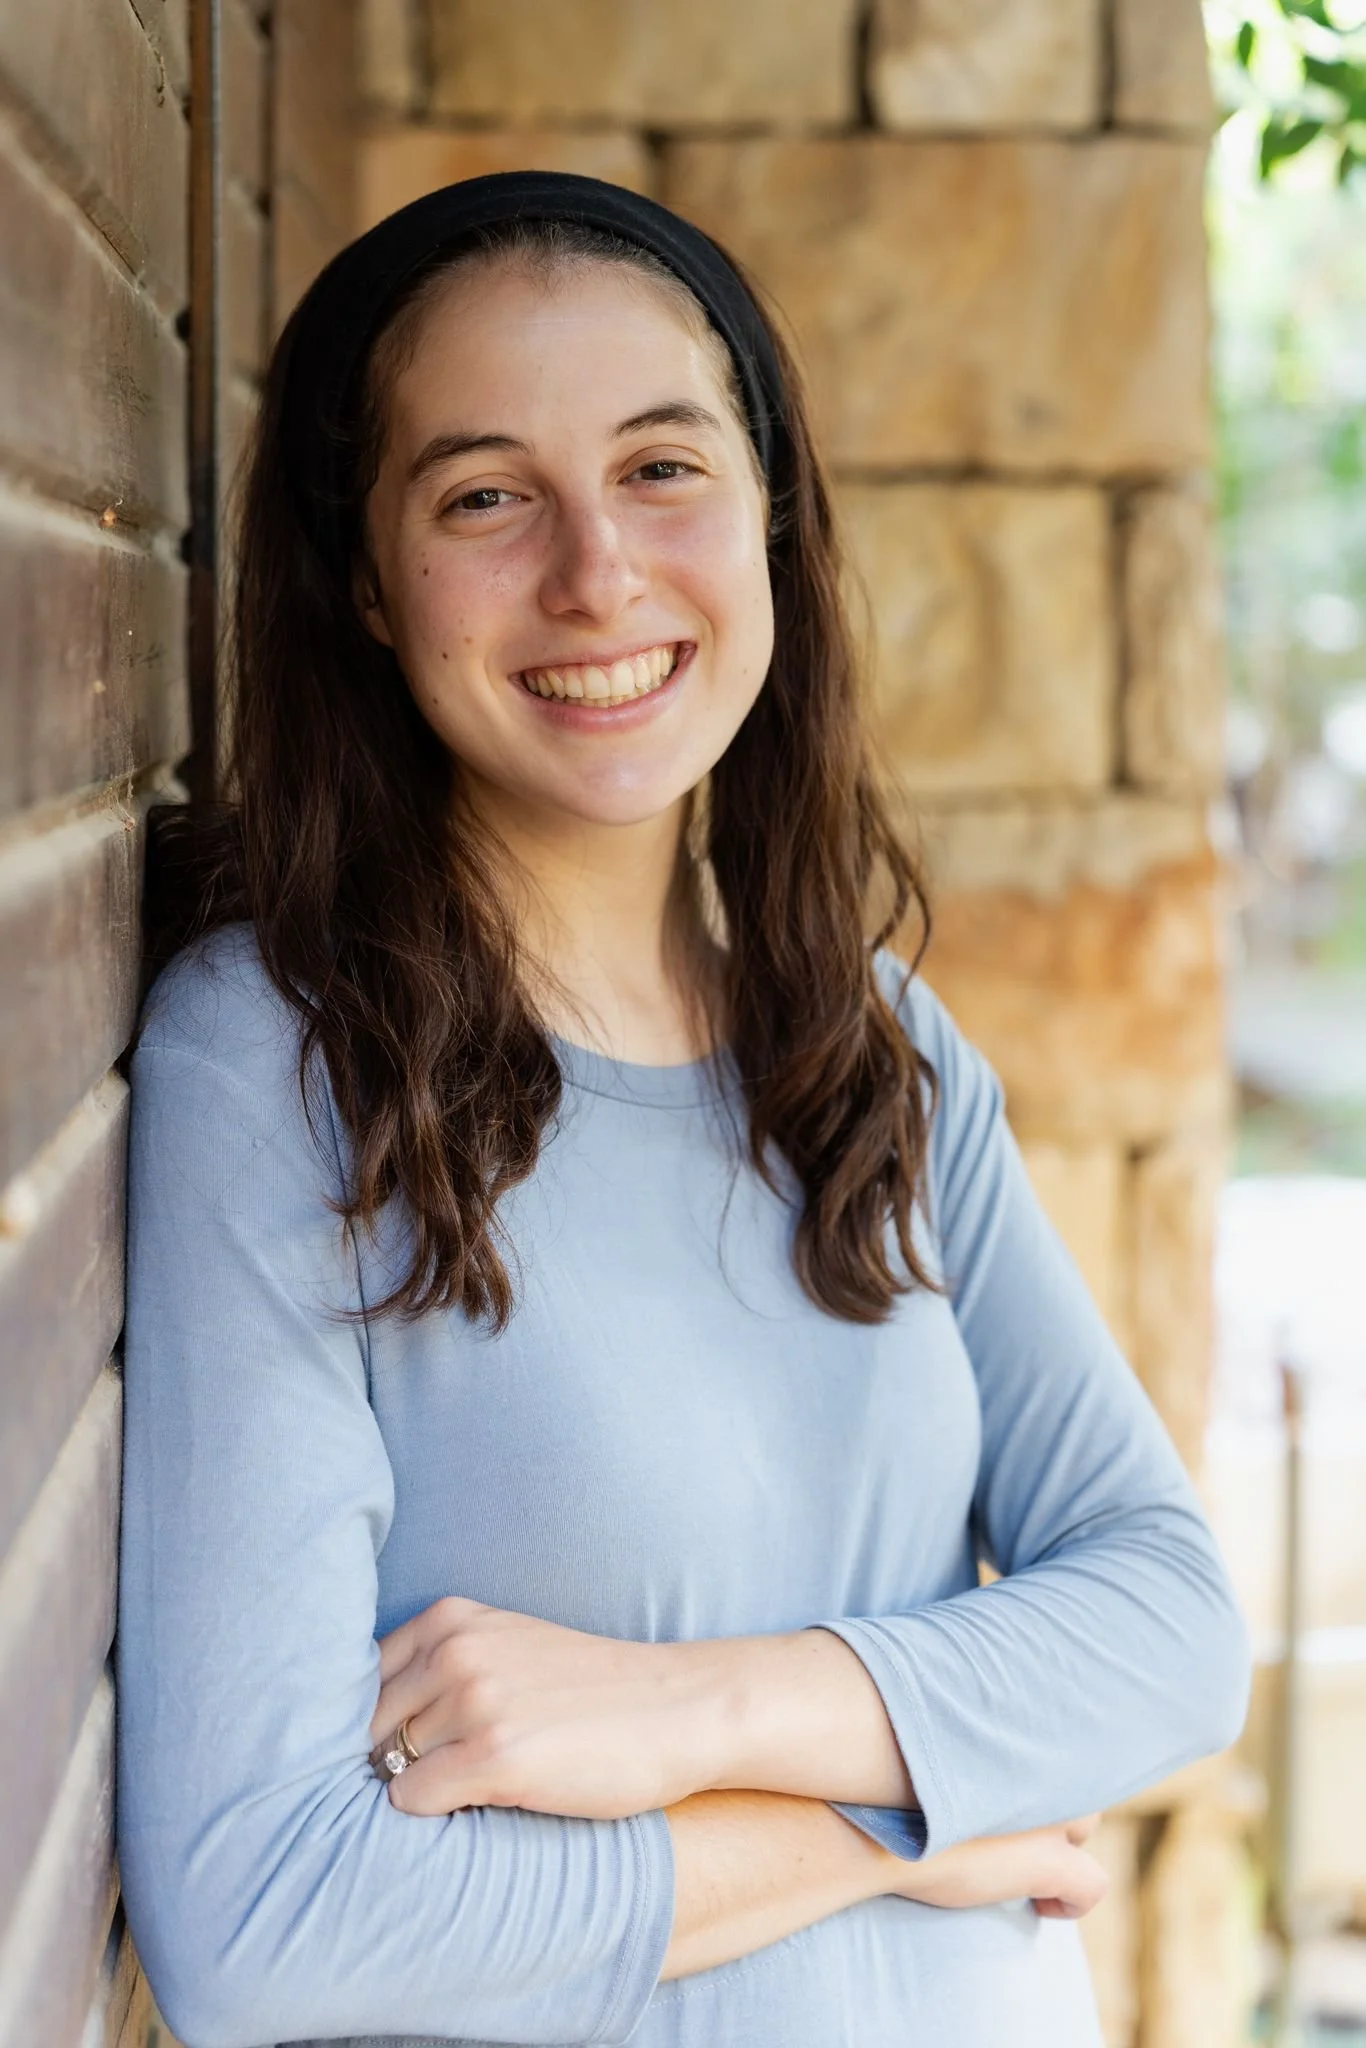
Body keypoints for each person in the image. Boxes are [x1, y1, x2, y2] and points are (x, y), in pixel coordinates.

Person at [118, 173, 1251, 2048]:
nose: (597, 574)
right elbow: (267, 1913)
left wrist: (690, 1714)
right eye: (483, 497)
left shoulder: (868, 1046)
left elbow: (1169, 1628)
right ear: (365, 589)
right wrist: (885, 1824)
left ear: (773, 520)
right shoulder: (283, 1061)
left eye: (663, 467)